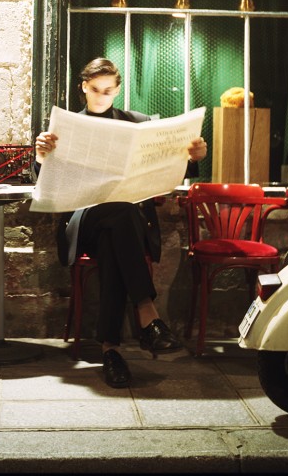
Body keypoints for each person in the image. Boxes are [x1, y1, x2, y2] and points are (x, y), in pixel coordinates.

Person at [34, 58, 207, 388]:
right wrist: (42, 156)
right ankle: (147, 314)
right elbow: (46, 181)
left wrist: (192, 157)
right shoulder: (66, 128)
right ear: (83, 86)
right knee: (121, 215)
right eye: (96, 90)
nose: (102, 97)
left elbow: (169, 170)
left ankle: (111, 352)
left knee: (118, 226)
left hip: (122, 226)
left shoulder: (137, 124)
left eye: (109, 91)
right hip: (83, 222)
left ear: (118, 89)